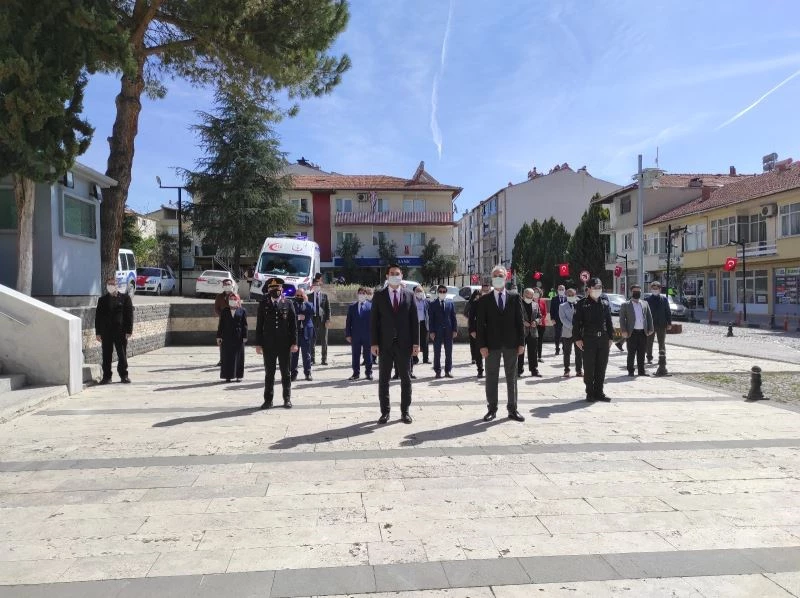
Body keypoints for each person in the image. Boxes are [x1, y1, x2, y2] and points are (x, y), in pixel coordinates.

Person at [476, 265, 526, 422]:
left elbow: (520, 322)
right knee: (491, 377)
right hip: (491, 345)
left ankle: (513, 409)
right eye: (495, 276)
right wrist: (482, 345)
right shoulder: (484, 300)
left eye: (501, 275)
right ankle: (492, 408)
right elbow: (480, 326)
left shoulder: (514, 297)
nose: (498, 278)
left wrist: (521, 343)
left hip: (511, 344)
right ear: (492, 279)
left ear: (506, 278)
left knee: (512, 377)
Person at [370, 264, 420, 424]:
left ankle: (405, 412)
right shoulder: (379, 296)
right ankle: (385, 412)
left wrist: (416, 343)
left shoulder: (409, 295)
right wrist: (374, 343)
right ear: (386, 276)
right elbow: (374, 322)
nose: (394, 276)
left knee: (406, 379)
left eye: (397, 273)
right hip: (385, 345)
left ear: (401, 275)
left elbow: (415, 322)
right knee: (384, 380)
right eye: (391, 273)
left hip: (404, 344)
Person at [255, 278, 298, 409]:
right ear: (268, 290)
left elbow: (293, 326)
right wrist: (258, 344)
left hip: (284, 344)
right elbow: (259, 325)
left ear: (282, 290)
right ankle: (268, 400)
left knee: (286, 373)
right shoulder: (263, 304)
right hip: (268, 345)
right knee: (269, 373)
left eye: (278, 289)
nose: (276, 291)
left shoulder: (288, 303)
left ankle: (287, 399)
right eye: (273, 289)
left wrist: (294, 343)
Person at [573, 278, 614, 402]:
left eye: (599, 287)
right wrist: (577, 339)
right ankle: (590, 392)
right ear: (589, 289)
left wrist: (611, 337)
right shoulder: (582, 304)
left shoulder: (605, 303)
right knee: (589, 366)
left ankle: (599, 391)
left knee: (602, 366)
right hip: (589, 339)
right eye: (595, 287)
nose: (598, 290)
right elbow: (576, 323)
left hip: (603, 339)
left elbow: (609, 321)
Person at [95, 276, 134, 384]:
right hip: (106, 332)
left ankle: (123, 375)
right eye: (109, 284)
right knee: (106, 355)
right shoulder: (102, 300)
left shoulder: (125, 298)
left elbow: (129, 315)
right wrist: (98, 332)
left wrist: (129, 330)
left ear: (117, 285)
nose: (111, 286)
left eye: (113, 284)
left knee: (122, 354)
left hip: (120, 332)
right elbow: (98, 317)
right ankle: (107, 377)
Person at [619, 284, 655, 377]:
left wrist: (651, 328)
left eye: (638, 291)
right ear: (631, 292)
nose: (637, 293)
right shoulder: (625, 305)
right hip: (632, 332)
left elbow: (649, 317)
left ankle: (641, 371)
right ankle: (630, 371)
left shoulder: (645, 303)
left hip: (643, 332)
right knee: (631, 353)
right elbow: (622, 319)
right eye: (635, 291)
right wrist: (623, 330)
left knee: (642, 352)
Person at [216, 293, 247, 383]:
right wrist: (219, 336)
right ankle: (228, 376)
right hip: (226, 337)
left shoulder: (242, 310)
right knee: (227, 357)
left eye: (234, 299)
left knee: (239, 357)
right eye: (231, 299)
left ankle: (238, 376)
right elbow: (221, 325)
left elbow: (244, 325)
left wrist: (245, 336)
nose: (232, 301)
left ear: (238, 300)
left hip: (238, 337)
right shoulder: (225, 311)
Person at [428, 284, 458, 378]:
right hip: (437, 331)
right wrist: (431, 331)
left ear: (446, 292)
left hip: (448, 331)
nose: (442, 293)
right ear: (438, 292)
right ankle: (437, 371)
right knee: (437, 352)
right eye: (440, 291)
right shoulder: (433, 304)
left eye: (444, 291)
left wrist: (455, 330)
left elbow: (453, 317)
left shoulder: (450, 303)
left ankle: (448, 371)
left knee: (448, 352)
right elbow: (431, 319)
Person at [345, 287, 373, 381]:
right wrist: (348, 334)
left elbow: (375, 322)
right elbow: (348, 321)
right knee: (355, 355)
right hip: (355, 335)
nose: (361, 295)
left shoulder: (371, 306)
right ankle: (355, 373)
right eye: (360, 293)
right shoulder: (352, 306)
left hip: (367, 335)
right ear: (357, 294)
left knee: (368, 354)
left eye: (363, 293)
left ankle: (369, 373)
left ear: (366, 295)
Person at [644, 281, 672, 364]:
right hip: (651, 325)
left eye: (656, 289)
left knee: (661, 342)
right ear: (651, 289)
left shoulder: (664, 299)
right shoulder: (647, 300)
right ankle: (649, 357)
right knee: (649, 342)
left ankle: (662, 357)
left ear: (660, 289)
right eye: (653, 288)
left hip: (661, 324)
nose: (655, 290)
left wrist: (669, 323)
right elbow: (644, 313)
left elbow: (668, 311)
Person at [291, 289, 315, 381]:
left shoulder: (309, 304)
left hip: (306, 332)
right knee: (294, 355)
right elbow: (290, 315)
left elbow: (313, 311)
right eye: (297, 295)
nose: (299, 297)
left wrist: (306, 301)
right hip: (295, 333)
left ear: (304, 295)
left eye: (301, 295)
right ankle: (293, 373)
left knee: (307, 354)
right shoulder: (292, 304)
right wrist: (297, 317)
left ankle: (308, 373)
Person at [559, 288, 583, 378]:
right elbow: (562, 319)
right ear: (566, 295)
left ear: (575, 294)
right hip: (567, 332)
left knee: (579, 353)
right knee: (567, 352)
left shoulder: (580, 304)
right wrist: (572, 327)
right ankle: (566, 370)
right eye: (569, 295)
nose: (571, 296)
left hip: (578, 333)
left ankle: (579, 370)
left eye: (572, 295)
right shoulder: (562, 306)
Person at [519, 288, 541, 378]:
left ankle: (534, 370)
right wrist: (523, 322)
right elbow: (515, 317)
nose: (530, 297)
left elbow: (539, 316)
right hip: (521, 332)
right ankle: (519, 370)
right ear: (524, 295)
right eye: (528, 295)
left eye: (532, 295)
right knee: (520, 352)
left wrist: (536, 321)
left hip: (533, 332)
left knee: (533, 352)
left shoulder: (535, 304)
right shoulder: (518, 304)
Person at [466, 285, 488, 378]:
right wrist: (472, 330)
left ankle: (490, 370)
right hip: (478, 330)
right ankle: (480, 370)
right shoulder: (475, 303)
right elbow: (471, 318)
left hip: (490, 331)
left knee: (490, 352)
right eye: (484, 290)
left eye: (487, 291)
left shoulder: (492, 302)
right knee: (478, 351)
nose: (485, 292)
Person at [308, 274, 330, 365]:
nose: (316, 287)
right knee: (312, 339)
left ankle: (324, 359)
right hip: (312, 319)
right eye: (315, 285)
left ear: (320, 286)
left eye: (318, 285)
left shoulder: (325, 296)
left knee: (324, 340)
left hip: (322, 319)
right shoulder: (309, 296)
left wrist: (328, 319)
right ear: (313, 286)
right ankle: (312, 359)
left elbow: (328, 308)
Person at [214, 279, 236, 365]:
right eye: (225, 284)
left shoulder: (236, 295)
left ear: (232, 285)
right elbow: (216, 309)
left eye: (229, 284)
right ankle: (222, 359)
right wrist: (223, 316)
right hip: (223, 323)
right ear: (223, 286)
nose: (227, 285)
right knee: (222, 341)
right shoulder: (219, 297)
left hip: (234, 322)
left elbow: (239, 308)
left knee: (233, 341)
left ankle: (232, 359)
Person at [412, 286, 430, 365]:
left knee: (425, 342)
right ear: (415, 293)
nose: (419, 293)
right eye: (417, 291)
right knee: (415, 342)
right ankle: (415, 358)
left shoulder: (426, 301)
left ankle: (425, 359)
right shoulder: (412, 301)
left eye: (421, 291)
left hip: (424, 324)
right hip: (415, 324)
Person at [550, 284, 567, 355]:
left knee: (565, 335)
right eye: (560, 289)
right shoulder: (554, 299)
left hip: (566, 320)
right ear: (557, 290)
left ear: (565, 290)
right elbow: (552, 310)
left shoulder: (567, 298)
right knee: (557, 335)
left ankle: (564, 349)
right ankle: (557, 349)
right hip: (557, 320)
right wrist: (552, 319)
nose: (561, 291)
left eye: (562, 289)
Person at [533, 287, 548, 362]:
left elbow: (545, 313)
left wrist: (540, 320)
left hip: (541, 324)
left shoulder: (542, 301)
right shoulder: (530, 301)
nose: (536, 293)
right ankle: (533, 356)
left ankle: (539, 356)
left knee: (540, 341)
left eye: (537, 292)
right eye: (534, 292)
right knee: (533, 341)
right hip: (532, 325)